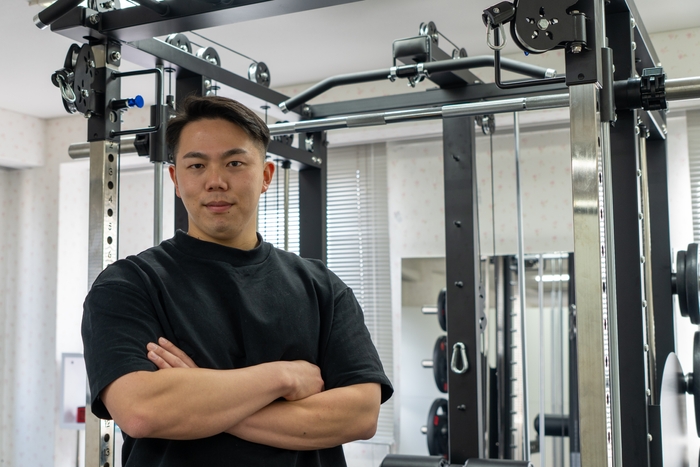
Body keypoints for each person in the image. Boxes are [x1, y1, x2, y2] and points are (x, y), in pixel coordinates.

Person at [81, 95, 393, 466]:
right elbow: (141, 411)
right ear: (176, 180)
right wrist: (282, 377)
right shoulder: (129, 285)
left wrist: (199, 396)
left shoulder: (322, 287)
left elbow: (360, 414)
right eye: (197, 165)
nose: (215, 181)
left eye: (234, 163)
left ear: (266, 176)